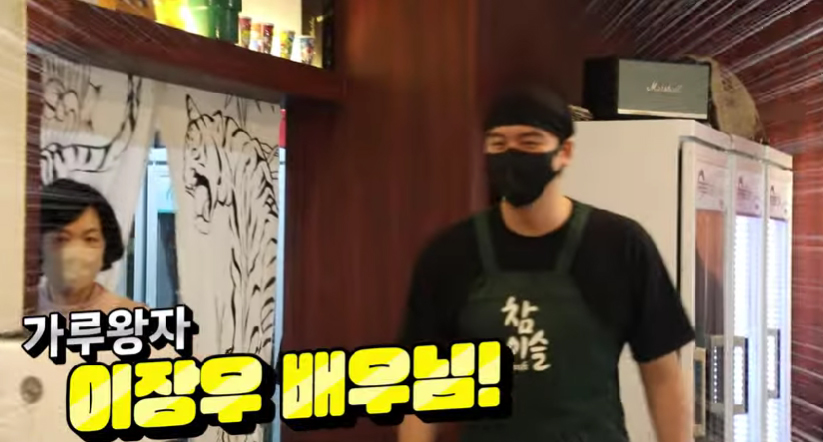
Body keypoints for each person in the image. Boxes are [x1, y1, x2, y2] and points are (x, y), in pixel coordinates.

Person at [398, 87, 694, 442]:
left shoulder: (620, 246)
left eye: (529, 142)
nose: (511, 155)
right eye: (498, 143)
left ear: (564, 152)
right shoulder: (450, 254)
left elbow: (662, 377)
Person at [38, 178, 145, 315]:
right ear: (38, 245)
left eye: (90, 239)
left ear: (106, 247)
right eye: (62, 239)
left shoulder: (134, 317)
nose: (76, 253)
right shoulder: (19, 310)